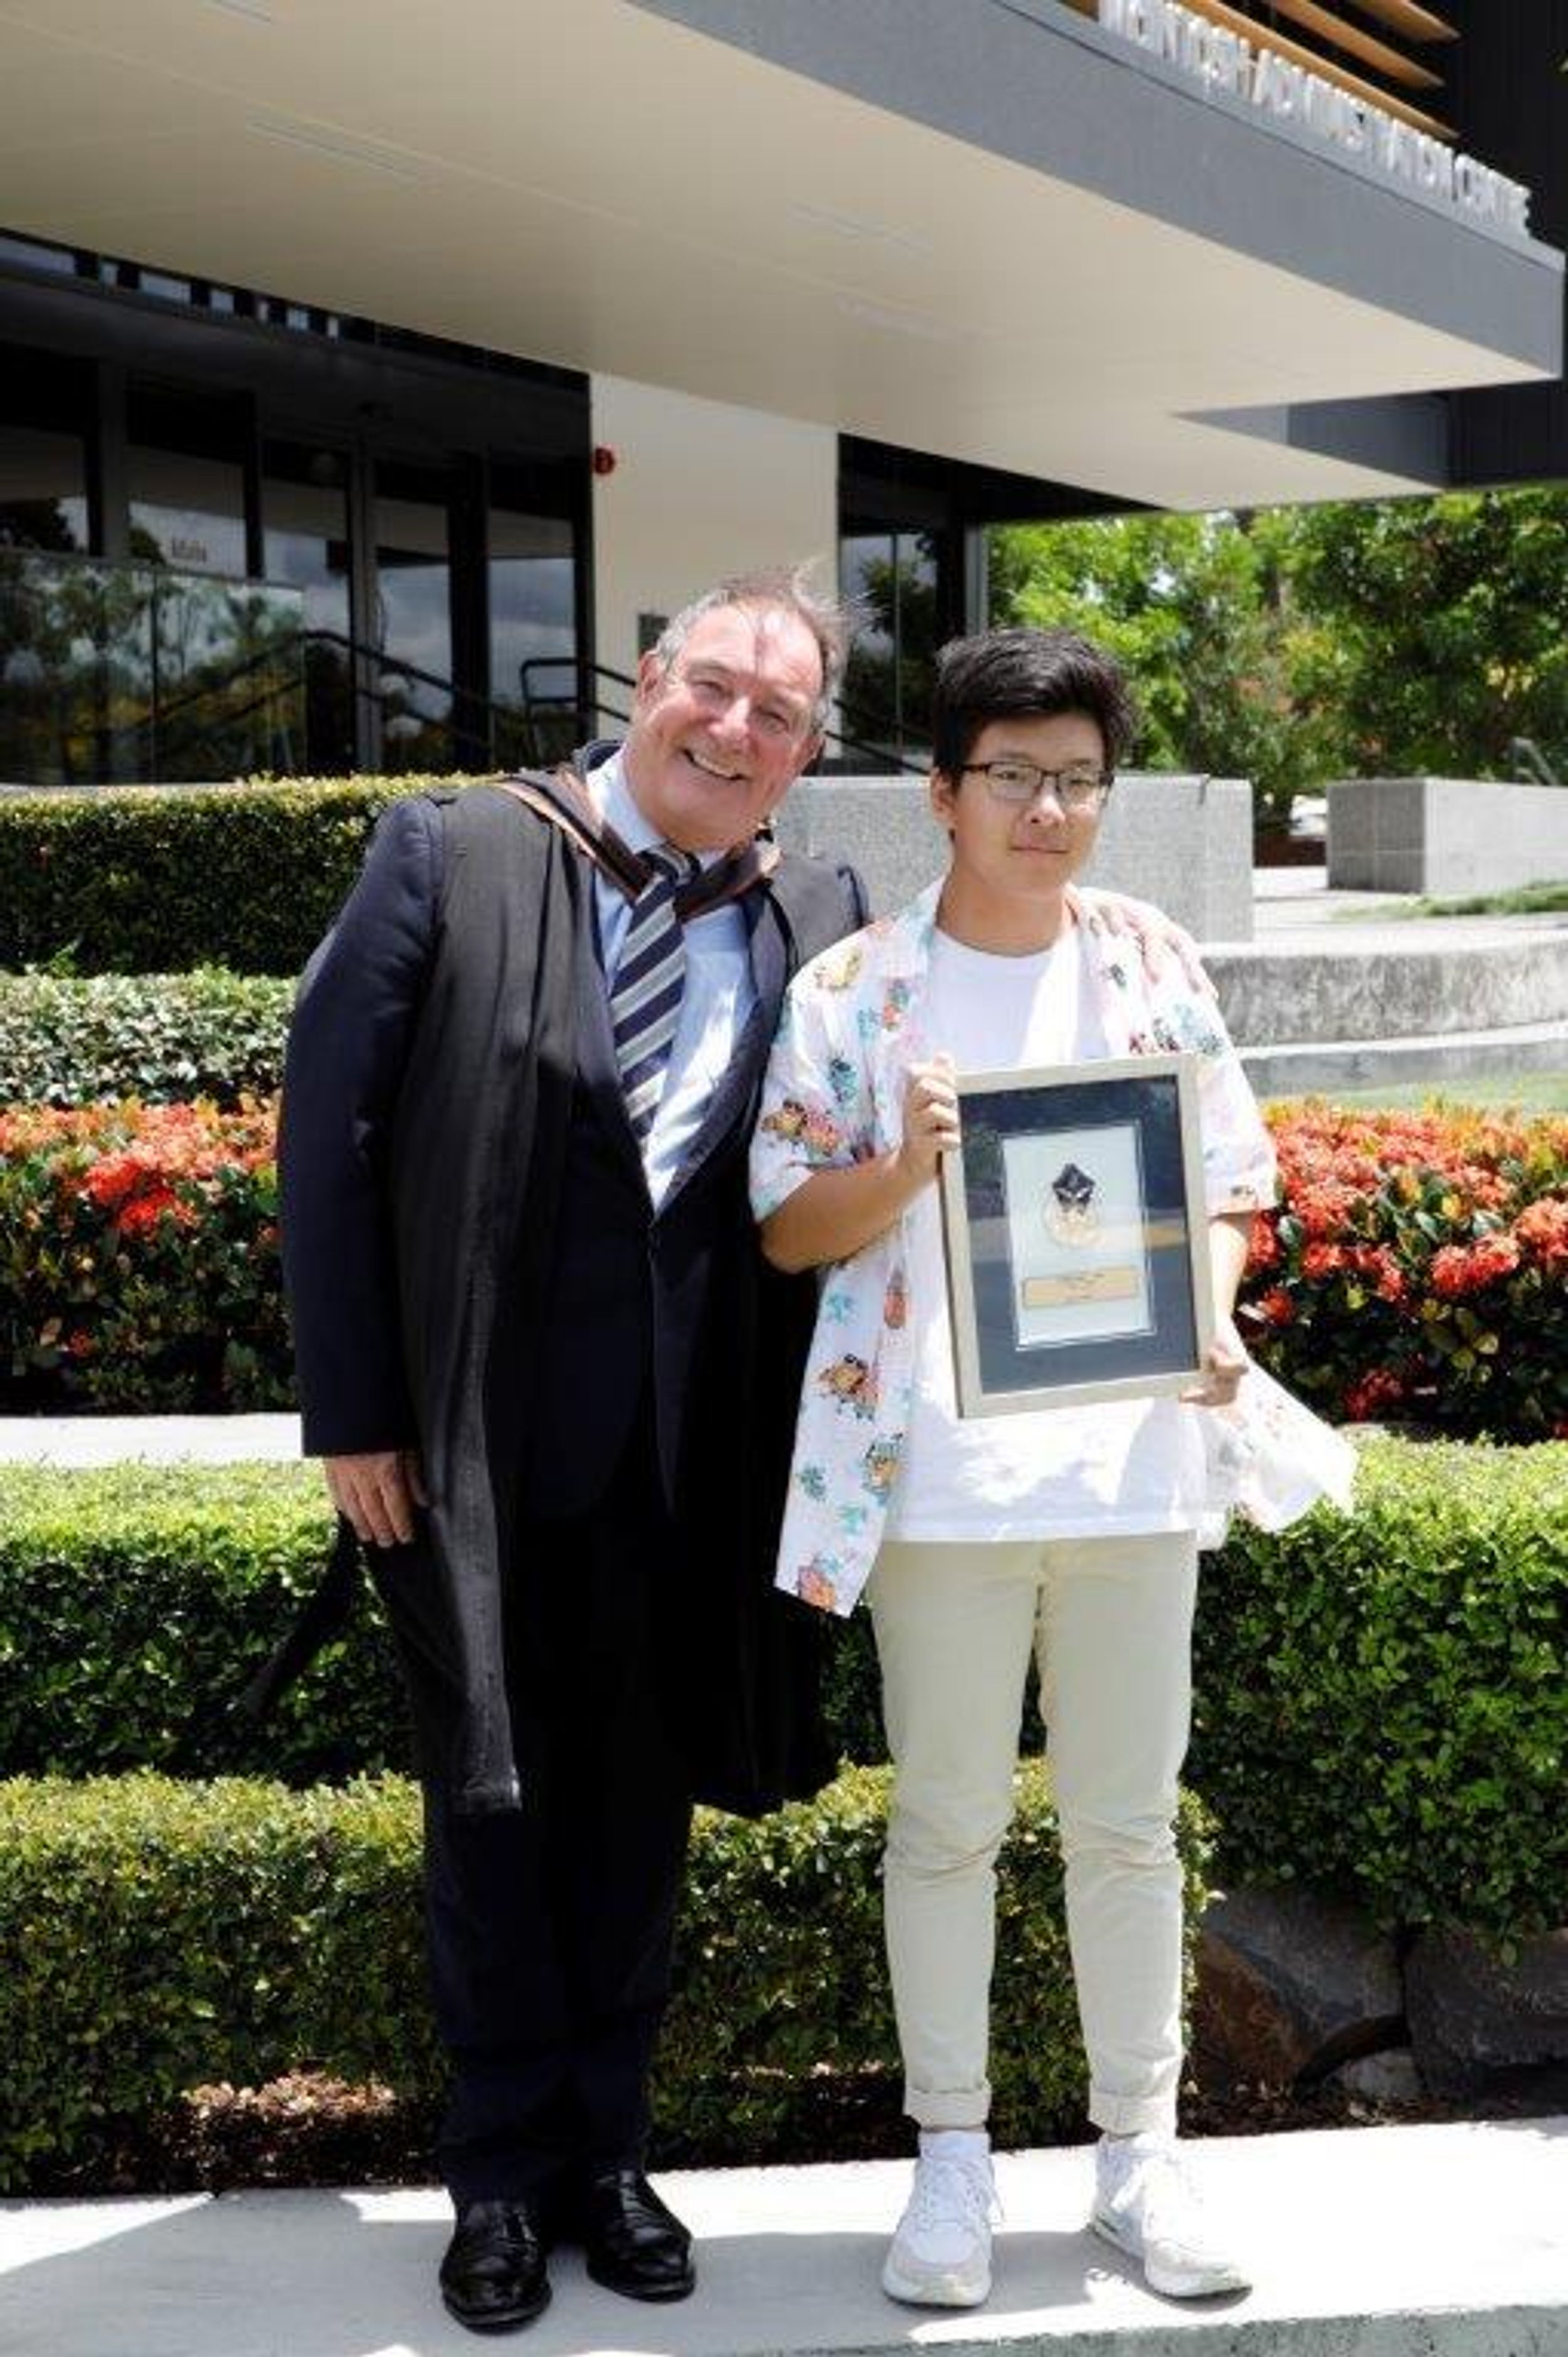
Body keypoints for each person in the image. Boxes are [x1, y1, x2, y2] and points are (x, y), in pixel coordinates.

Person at [278, 566, 871, 2334]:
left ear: (806, 754)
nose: (735, 729)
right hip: (475, 1443)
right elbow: (327, 1136)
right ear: (647, 676)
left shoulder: (812, 905)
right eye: (714, 686)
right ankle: (495, 2174)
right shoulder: (455, 852)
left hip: (692, 1453)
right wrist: (354, 1414)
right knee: (490, 1809)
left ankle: (608, 2155)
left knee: (638, 1808)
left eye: (779, 713)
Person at [750, 626, 1292, 2309]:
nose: (1046, 811)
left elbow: (1229, 1177)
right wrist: (901, 1165)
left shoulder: (1147, 958)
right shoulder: (853, 993)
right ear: (942, 793)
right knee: (947, 1827)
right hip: (938, 1485)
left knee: (1128, 1828)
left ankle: (1139, 2159)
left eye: (1077, 780)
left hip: (1132, 1471)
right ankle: (951, 2162)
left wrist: (1209, 1314)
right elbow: (784, 1229)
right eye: (1012, 778)